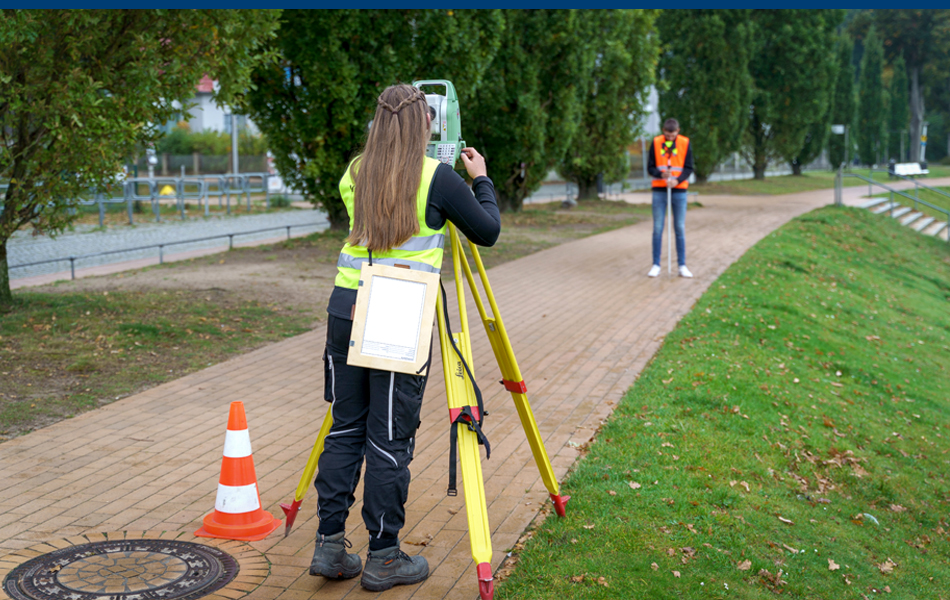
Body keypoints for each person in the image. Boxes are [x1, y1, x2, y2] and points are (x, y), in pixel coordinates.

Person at [309, 84, 501, 592]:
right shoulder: (437, 178)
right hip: (396, 314)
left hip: (346, 309)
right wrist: (479, 179)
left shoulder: (354, 171)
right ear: (427, 125)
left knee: (346, 429)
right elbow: (487, 230)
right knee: (389, 437)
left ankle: (329, 545)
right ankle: (385, 556)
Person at [646, 118, 694, 278]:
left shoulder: (685, 143)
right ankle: (656, 264)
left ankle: (682, 265)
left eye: (672, 135)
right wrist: (660, 174)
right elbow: (650, 167)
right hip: (659, 189)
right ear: (663, 131)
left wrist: (677, 180)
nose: (670, 138)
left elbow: (688, 167)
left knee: (679, 227)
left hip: (679, 190)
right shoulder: (656, 142)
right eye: (667, 135)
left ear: (678, 131)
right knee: (658, 228)